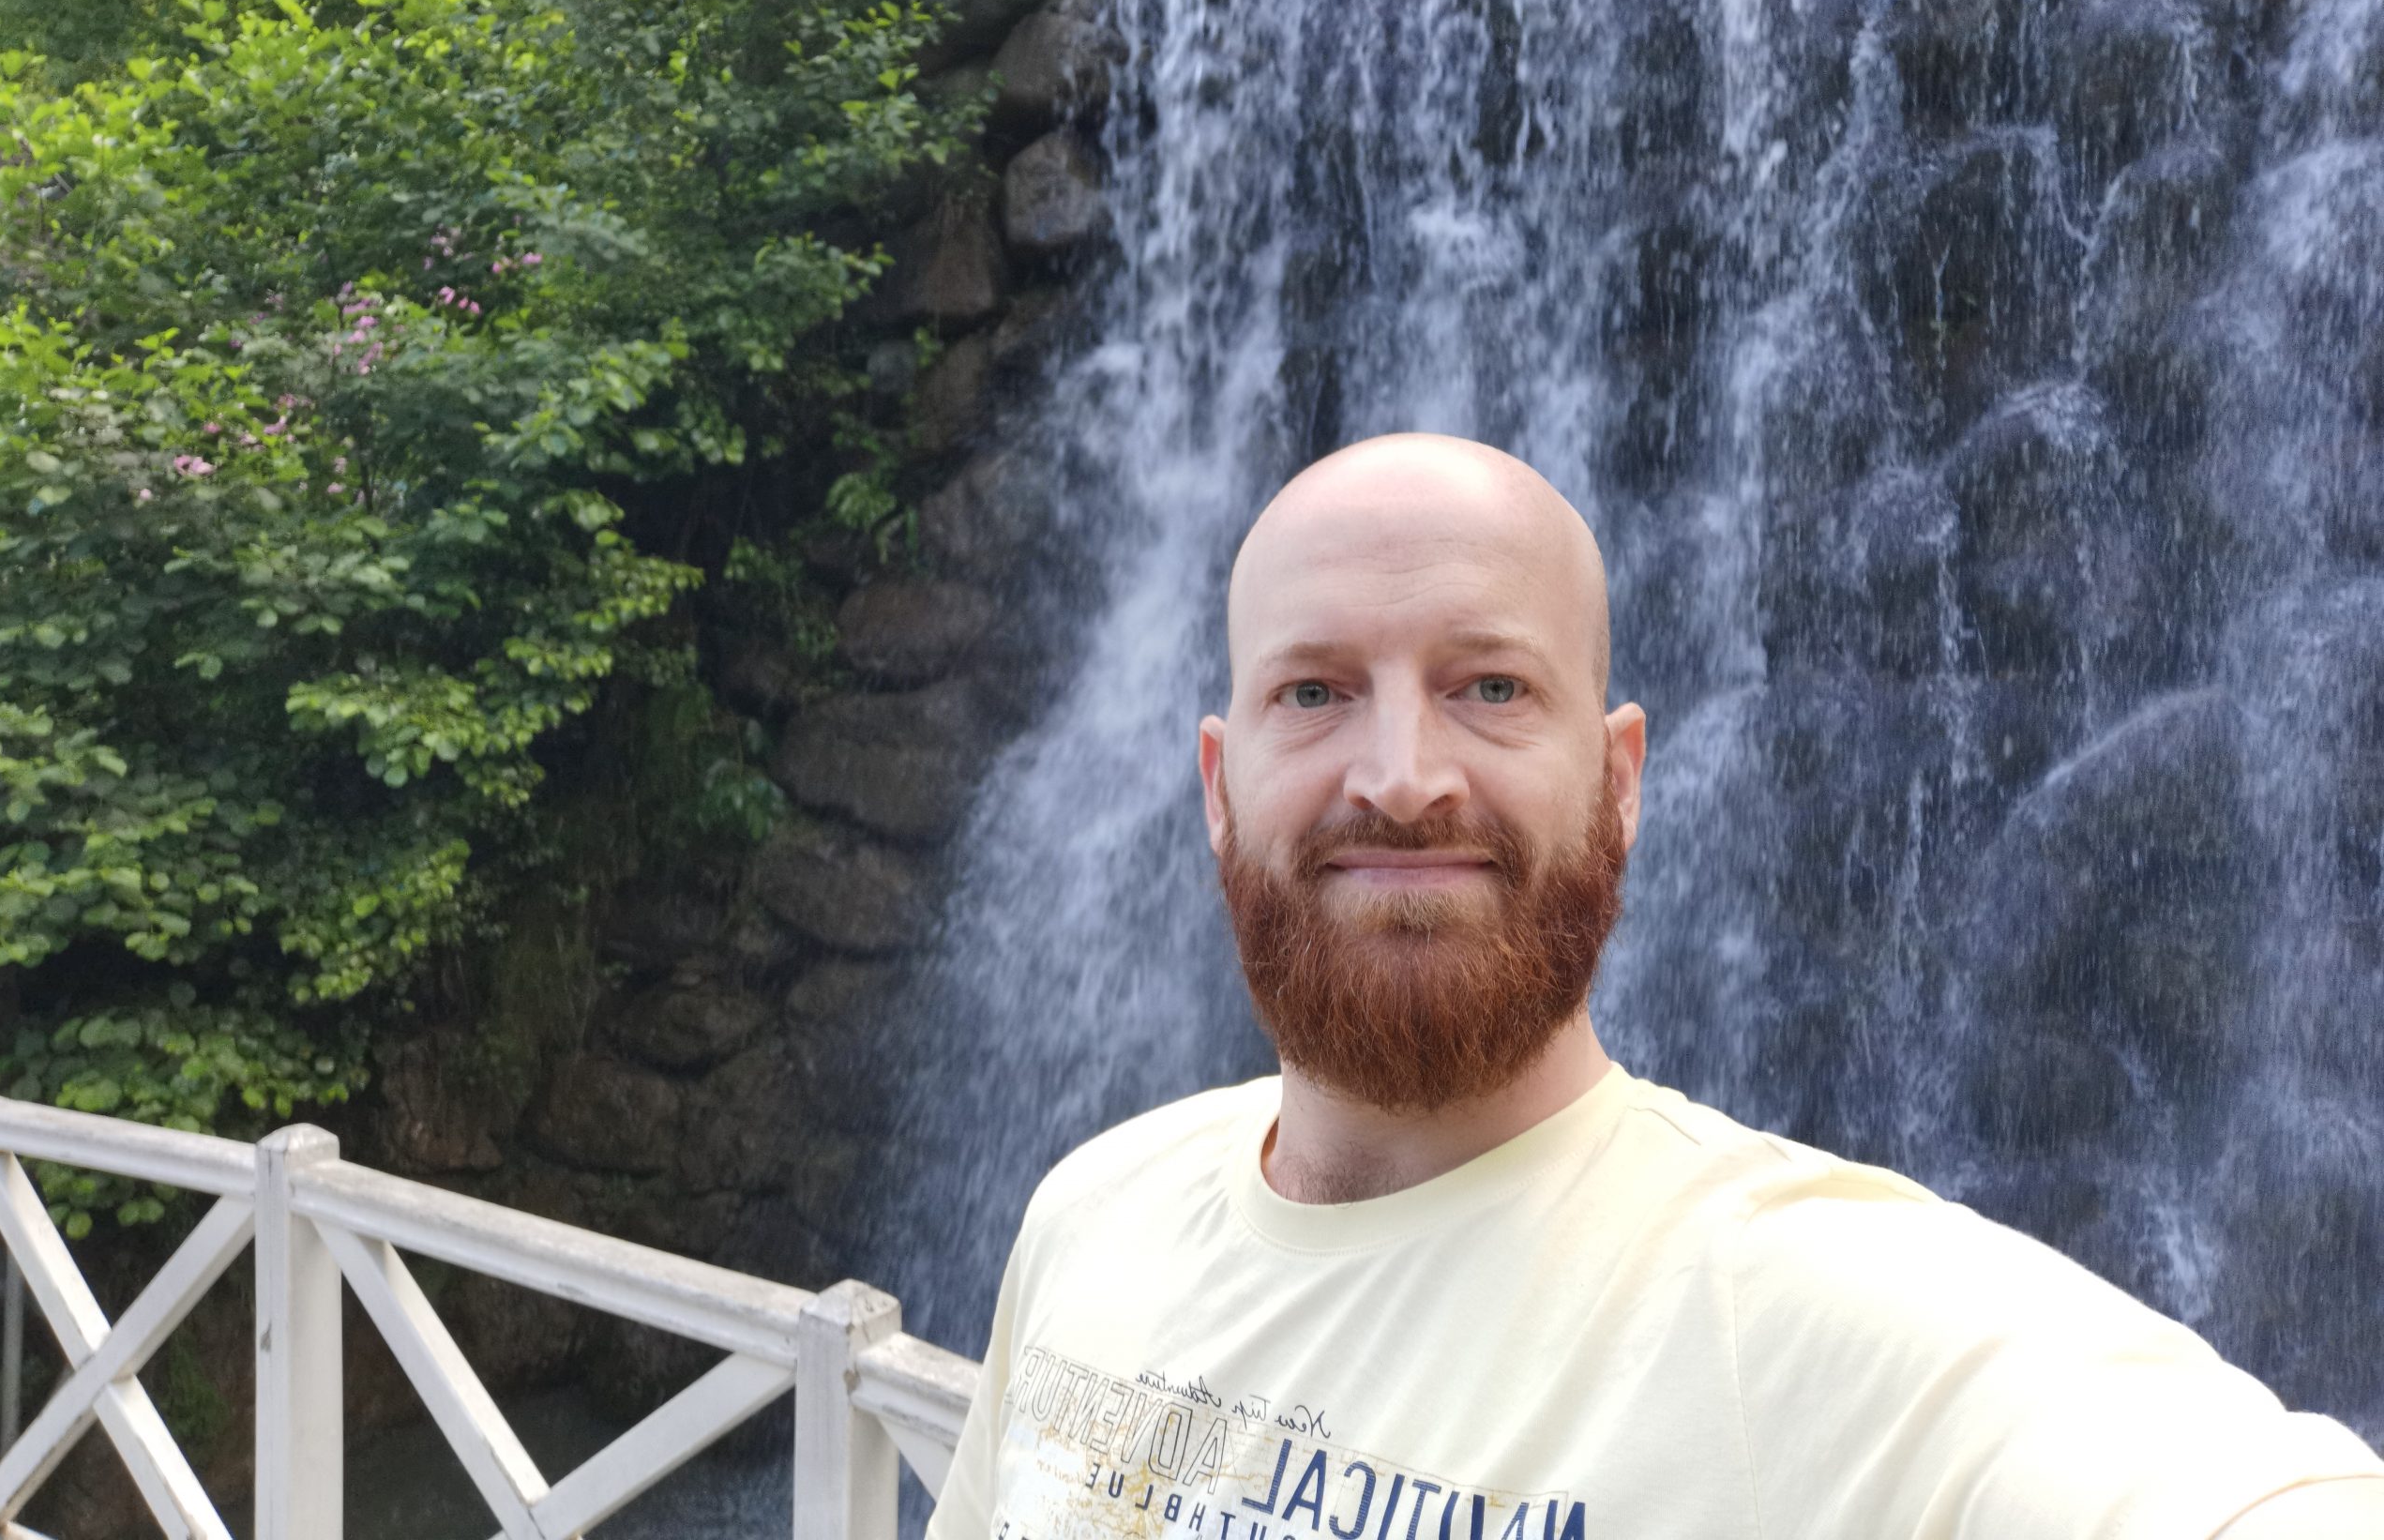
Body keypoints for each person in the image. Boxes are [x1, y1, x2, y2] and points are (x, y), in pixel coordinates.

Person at [924, 433, 2384, 1540]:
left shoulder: (1797, 1313)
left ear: (1620, 782)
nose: (1402, 778)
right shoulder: (1091, 1214)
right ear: (1218, 785)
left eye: (1491, 688)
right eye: (1314, 692)